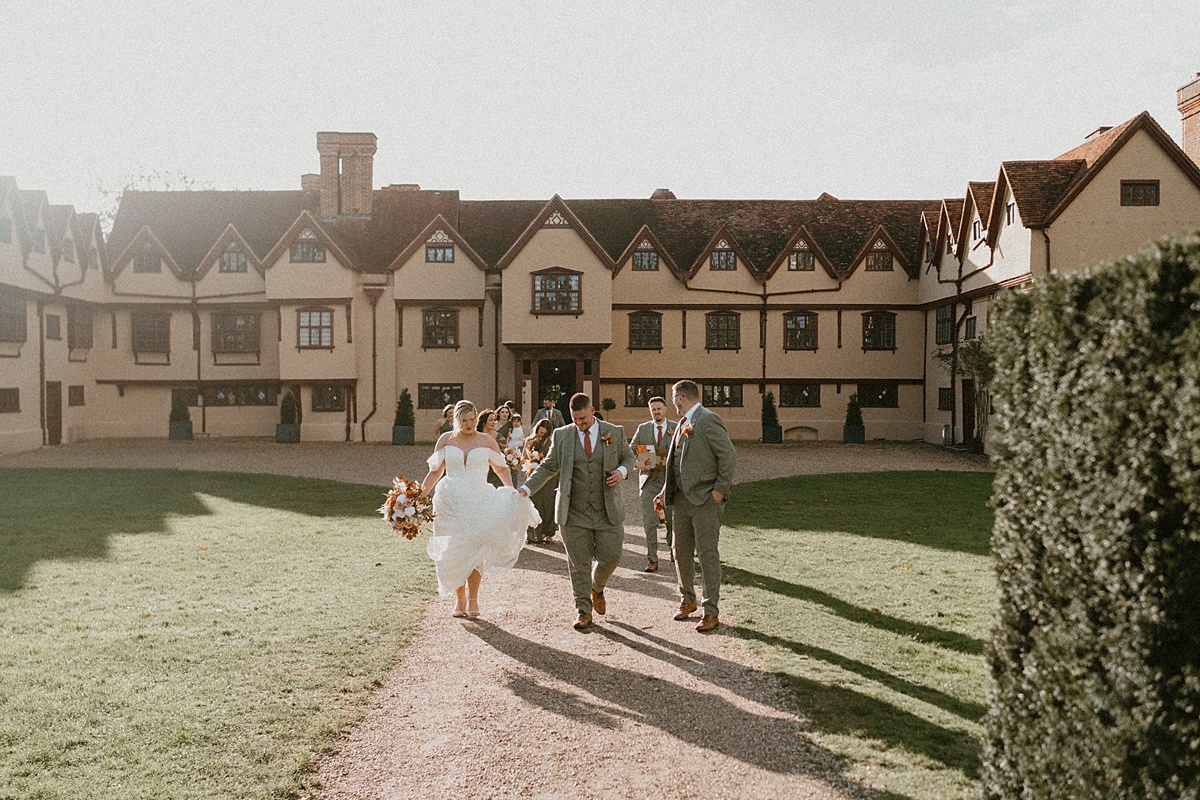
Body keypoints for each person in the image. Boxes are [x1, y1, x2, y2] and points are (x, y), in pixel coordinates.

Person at [521, 393, 637, 630]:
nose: (579, 423)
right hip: (573, 510)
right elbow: (549, 466)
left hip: (607, 509)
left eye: (583, 418)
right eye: (575, 419)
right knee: (578, 563)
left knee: (612, 555)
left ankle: (597, 586)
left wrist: (621, 472)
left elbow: (629, 457)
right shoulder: (562, 435)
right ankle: (583, 610)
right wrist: (525, 489)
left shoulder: (613, 432)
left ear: (592, 410)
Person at [421, 400, 540, 618]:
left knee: (475, 549)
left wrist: (511, 493)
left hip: (478, 499)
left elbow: (502, 469)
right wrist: (417, 496)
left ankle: (473, 598)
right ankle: (459, 599)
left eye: (472, 420)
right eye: (464, 420)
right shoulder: (445, 440)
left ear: (477, 418)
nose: (469, 424)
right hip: (450, 501)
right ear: (455, 420)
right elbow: (435, 472)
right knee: (454, 550)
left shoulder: (487, 441)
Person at [655, 380, 736, 633]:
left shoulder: (708, 419)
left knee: (707, 555)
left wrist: (719, 491)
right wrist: (664, 491)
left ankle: (710, 611)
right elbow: (678, 463)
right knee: (680, 552)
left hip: (705, 501)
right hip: (681, 501)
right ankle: (687, 600)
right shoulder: (681, 424)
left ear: (680, 398)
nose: (672, 404)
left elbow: (728, 455)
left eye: (672, 398)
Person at [630, 396, 676, 572]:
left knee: (671, 520)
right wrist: (637, 463)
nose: (656, 412)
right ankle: (653, 559)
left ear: (665, 409)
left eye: (659, 409)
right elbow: (629, 450)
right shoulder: (643, 429)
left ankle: (673, 548)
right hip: (649, 481)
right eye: (653, 410)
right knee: (650, 522)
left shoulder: (676, 427)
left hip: (670, 482)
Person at [522, 418, 556, 543]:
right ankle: (533, 534)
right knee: (534, 502)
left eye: (544, 433)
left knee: (548, 502)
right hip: (533, 474)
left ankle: (548, 532)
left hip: (549, 478)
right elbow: (523, 458)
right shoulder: (529, 441)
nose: (542, 435)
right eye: (540, 432)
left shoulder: (552, 442)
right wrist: (531, 462)